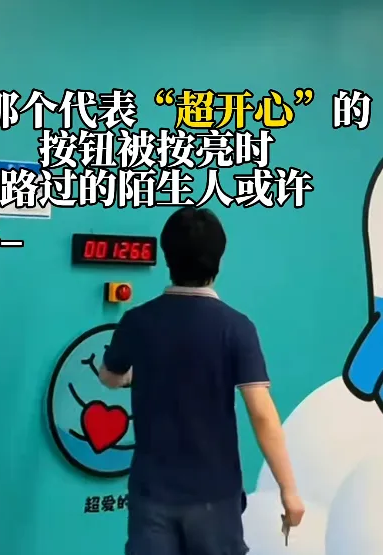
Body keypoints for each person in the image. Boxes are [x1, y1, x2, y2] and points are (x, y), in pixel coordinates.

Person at [99, 207, 305, 555]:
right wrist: (289, 490)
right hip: (216, 497)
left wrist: (134, 377)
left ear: (167, 257)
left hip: (151, 494)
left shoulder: (136, 321)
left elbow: (109, 377)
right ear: (218, 260)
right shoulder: (236, 327)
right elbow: (262, 414)